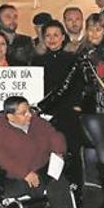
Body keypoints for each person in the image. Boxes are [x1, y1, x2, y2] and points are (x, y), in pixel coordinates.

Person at [39, 13, 104, 191]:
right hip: (92, 110)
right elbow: (66, 84)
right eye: (91, 30)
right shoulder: (82, 55)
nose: (94, 34)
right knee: (102, 153)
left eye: (98, 29)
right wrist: (42, 106)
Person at [31, 20, 82, 187]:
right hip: (45, 116)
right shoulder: (36, 62)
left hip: (67, 113)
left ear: (62, 37)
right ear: (43, 39)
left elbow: (76, 87)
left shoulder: (73, 59)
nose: (52, 39)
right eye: (48, 36)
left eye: (56, 35)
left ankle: (76, 189)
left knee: (70, 152)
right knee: (48, 153)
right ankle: (53, 190)